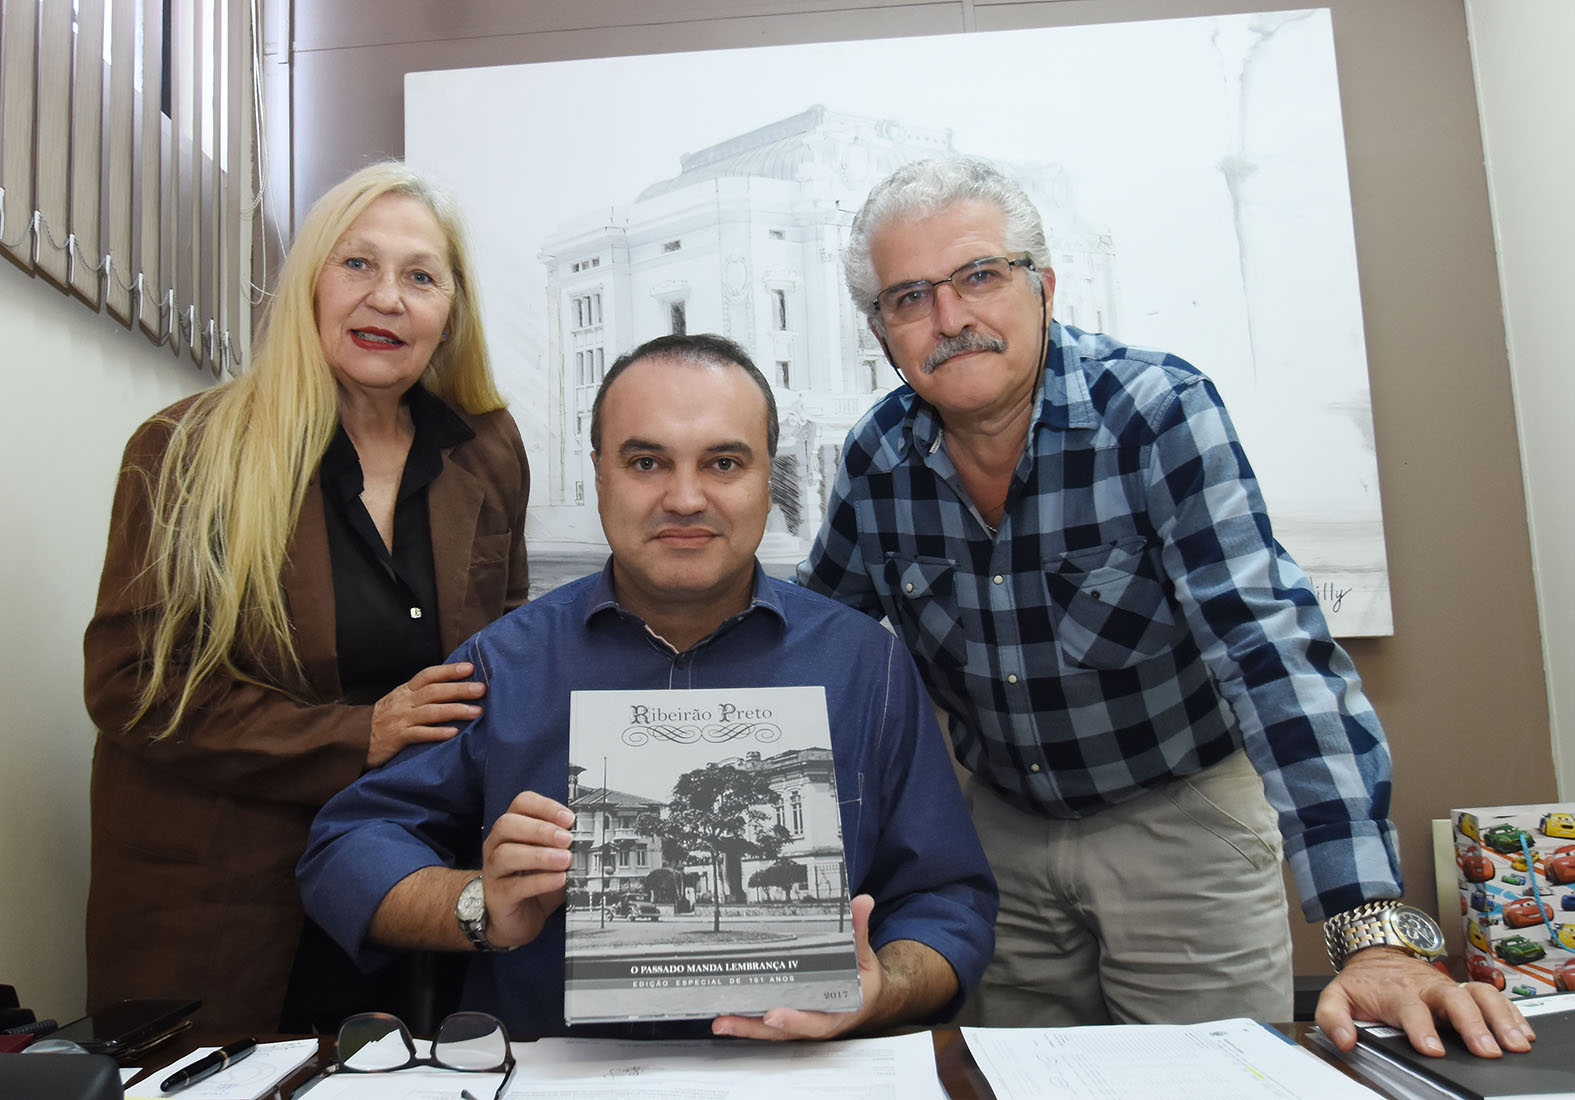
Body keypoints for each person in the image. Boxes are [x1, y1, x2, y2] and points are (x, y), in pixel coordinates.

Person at [798, 156, 1531, 1059]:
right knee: (1009, 1080)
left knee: (1211, 1077)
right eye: (910, 297)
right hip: (997, 836)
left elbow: (1268, 650)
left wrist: (1369, 925)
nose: (951, 319)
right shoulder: (878, 455)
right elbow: (813, 646)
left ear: (1043, 285)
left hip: (1179, 818)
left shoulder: (1154, 410)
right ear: (881, 329)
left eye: (980, 276)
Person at [297, 333, 997, 1040]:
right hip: (561, 1080)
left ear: (767, 480)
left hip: (805, 1078)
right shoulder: (504, 663)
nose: (684, 498)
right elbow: (346, 851)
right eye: (645, 461)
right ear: (600, 473)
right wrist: (480, 905)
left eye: (723, 462)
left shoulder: (864, 666)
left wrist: (884, 991)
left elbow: (947, 899)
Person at [83, 161, 530, 1035]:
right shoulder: (183, 450)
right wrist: (356, 735)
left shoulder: (486, 451)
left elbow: (507, 645)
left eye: (419, 276)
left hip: (419, 896)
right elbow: (134, 684)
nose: (387, 299)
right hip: (234, 906)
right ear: (308, 286)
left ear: (450, 315)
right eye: (356, 264)